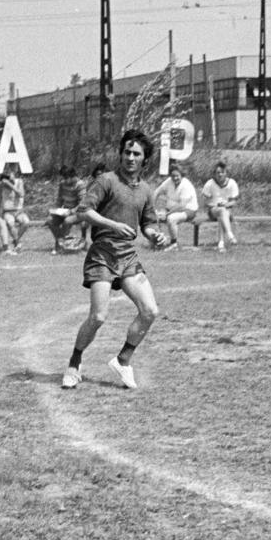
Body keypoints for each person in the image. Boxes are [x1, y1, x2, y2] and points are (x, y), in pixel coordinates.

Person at [60, 129, 170, 391]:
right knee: (98, 316)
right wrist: (114, 225)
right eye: (127, 152)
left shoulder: (145, 189)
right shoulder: (106, 181)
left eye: (136, 154)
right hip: (101, 255)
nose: (130, 157)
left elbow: (148, 223)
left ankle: (123, 360)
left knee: (150, 311)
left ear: (145, 159)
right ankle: (74, 365)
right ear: (120, 154)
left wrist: (155, 236)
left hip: (127, 257)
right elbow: (84, 210)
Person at [154, 160, 198, 249]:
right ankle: (159, 241)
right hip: (171, 209)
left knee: (171, 219)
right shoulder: (169, 181)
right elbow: (156, 192)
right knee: (155, 216)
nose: (175, 178)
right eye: (173, 176)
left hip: (188, 210)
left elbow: (181, 205)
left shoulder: (186, 185)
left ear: (181, 175)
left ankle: (174, 243)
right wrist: (153, 208)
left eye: (177, 176)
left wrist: (166, 214)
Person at [201, 160, 241, 251]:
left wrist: (226, 204)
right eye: (218, 173)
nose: (220, 175)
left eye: (222, 172)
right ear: (214, 174)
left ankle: (221, 243)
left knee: (222, 213)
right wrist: (215, 204)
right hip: (213, 210)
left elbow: (234, 202)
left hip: (227, 211)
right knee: (221, 212)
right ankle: (230, 235)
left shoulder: (232, 183)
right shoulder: (210, 183)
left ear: (226, 173)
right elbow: (205, 202)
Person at [47, 165, 84, 252]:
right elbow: (59, 200)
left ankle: (59, 246)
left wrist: (71, 211)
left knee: (67, 221)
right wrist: (54, 210)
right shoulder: (62, 184)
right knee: (49, 220)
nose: (64, 180)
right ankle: (62, 242)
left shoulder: (80, 185)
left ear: (72, 176)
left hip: (78, 213)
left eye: (65, 177)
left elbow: (82, 204)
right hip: (64, 211)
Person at [0, 165, 29, 253]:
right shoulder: (1, 185)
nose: (11, 179)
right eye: (8, 178)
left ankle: (15, 240)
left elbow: (21, 194)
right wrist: (3, 184)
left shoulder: (19, 182)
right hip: (7, 211)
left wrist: (11, 186)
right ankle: (18, 242)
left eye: (11, 177)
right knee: (10, 223)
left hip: (18, 210)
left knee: (26, 222)